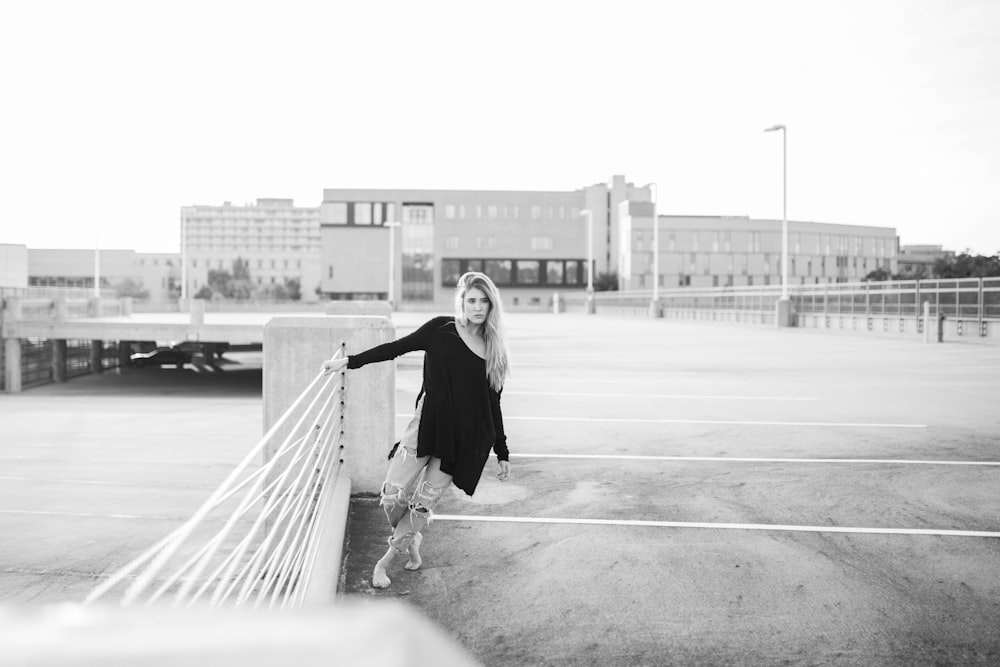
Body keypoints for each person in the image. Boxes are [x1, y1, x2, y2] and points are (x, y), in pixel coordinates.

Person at [321, 272, 511, 588]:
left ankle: (385, 563)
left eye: (484, 301)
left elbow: (493, 406)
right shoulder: (440, 329)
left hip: (459, 444)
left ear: (492, 306)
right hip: (424, 428)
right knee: (390, 495)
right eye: (471, 300)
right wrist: (349, 362)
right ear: (462, 302)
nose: (477, 307)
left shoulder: (494, 351)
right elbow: (396, 347)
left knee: (421, 506)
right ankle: (410, 536)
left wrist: (502, 451)